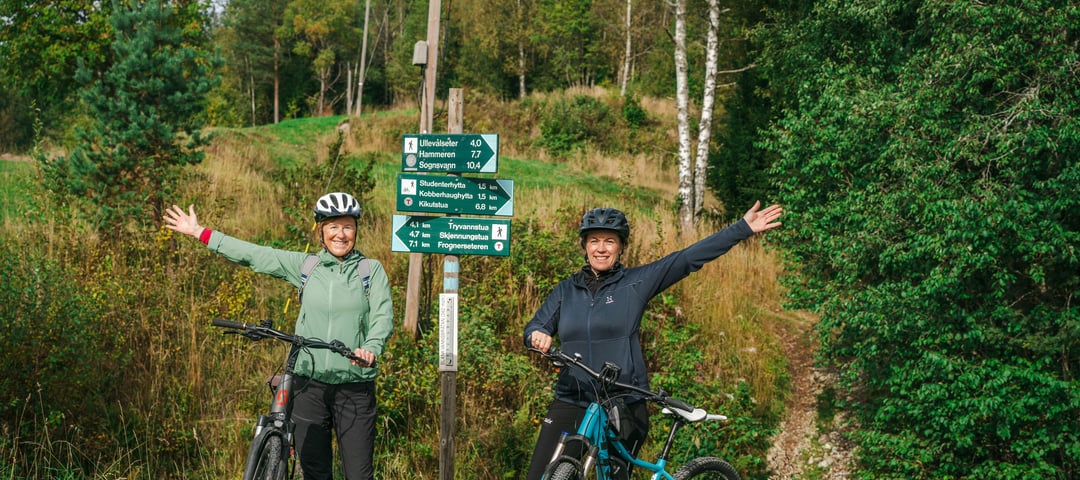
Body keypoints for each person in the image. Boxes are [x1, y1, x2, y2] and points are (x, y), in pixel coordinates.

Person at [522, 201, 783, 480]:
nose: (601, 248)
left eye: (610, 241)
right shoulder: (565, 291)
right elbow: (535, 327)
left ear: (621, 247)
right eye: (594, 240)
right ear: (584, 246)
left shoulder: (635, 283)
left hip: (623, 400)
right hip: (572, 397)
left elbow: (686, 260)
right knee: (540, 475)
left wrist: (742, 228)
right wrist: (537, 335)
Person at [164, 192, 394, 480]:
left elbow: (382, 317)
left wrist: (370, 348)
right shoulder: (306, 266)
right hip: (308, 385)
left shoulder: (370, 271)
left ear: (356, 230)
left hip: (355, 388)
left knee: (359, 475)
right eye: (333, 226)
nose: (341, 234)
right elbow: (254, 254)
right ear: (321, 231)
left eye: (347, 227)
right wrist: (201, 232)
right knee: (315, 473)